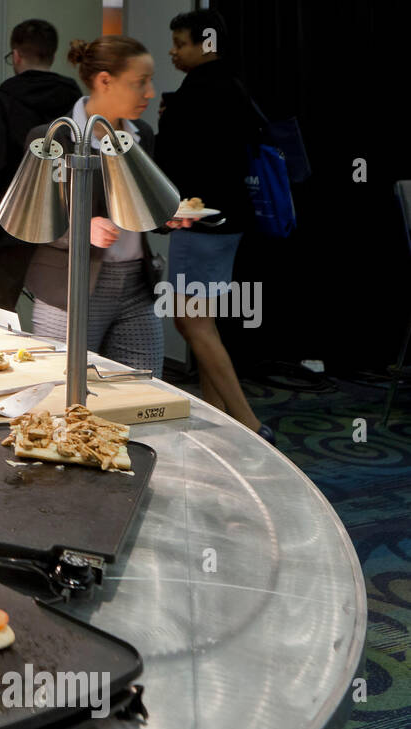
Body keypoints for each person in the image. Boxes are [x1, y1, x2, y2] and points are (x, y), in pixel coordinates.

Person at [24, 35, 191, 378]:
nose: (150, 92)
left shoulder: (141, 133)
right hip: (70, 287)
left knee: (146, 392)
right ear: (104, 81)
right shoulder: (56, 135)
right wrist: (80, 229)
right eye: (140, 82)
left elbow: (142, 206)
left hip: (135, 284)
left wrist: (165, 216)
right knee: (66, 395)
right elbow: (31, 218)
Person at [156, 10, 271, 442]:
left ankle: (248, 423)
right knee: (204, 320)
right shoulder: (237, 86)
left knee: (192, 323)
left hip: (201, 222)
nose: (172, 51)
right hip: (234, 220)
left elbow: (171, 162)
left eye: (180, 43)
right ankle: (218, 418)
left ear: (204, 44)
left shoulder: (195, 93)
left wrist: (168, 118)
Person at [0, 19, 81, 323]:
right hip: (65, 219)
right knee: (64, 309)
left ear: (16, 55)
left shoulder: (1, 101)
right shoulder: (76, 100)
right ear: (52, 55)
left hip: (13, 221)